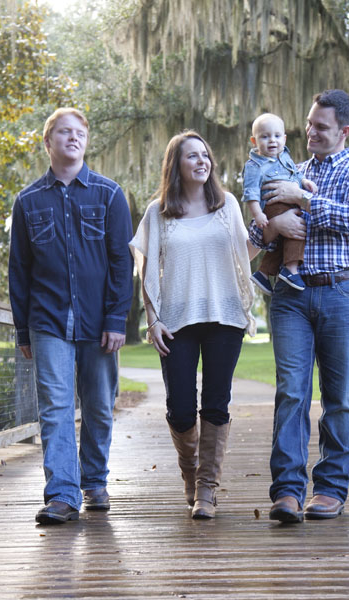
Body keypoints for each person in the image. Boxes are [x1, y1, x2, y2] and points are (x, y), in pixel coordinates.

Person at [249, 90, 349, 523]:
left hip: (340, 294)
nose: (309, 132)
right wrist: (269, 225)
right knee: (291, 393)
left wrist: (302, 200)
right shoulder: (290, 169)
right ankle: (287, 491)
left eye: (320, 127)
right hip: (290, 296)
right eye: (308, 124)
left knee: (339, 397)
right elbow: (260, 231)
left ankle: (329, 489)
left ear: (344, 130)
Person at [8, 107, 133, 524]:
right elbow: (19, 271)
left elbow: (121, 262)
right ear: (48, 142)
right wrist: (23, 330)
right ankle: (62, 494)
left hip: (99, 322)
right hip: (48, 321)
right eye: (64, 132)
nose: (73, 138)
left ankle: (94, 479)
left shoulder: (109, 195)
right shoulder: (27, 201)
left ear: (86, 142)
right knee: (56, 407)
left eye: (80, 132)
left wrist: (117, 320)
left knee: (98, 405)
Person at [130, 130, 258, 519]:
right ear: (176, 165)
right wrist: (152, 320)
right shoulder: (158, 213)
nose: (202, 161)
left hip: (225, 317)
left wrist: (268, 233)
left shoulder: (227, 204)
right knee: (181, 409)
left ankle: (206, 489)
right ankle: (190, 473)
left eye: (206, 155)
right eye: (192, 156)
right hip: (176, 322)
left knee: (216, 403)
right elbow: (146, 268)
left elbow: (244, 254)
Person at [242, 113, 316, 296]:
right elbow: (250, 193)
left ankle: (263, 273)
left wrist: (304, 182)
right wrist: (258, 214)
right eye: (264, 137)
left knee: (285, 237)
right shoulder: (253, 166)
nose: (272, 141)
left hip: (288, 202)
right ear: (254, 141)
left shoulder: (285, 157)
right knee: (298, 227)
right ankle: (291, 270)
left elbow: (294, 175)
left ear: (284, 138)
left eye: (276, 136)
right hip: (273, 204)